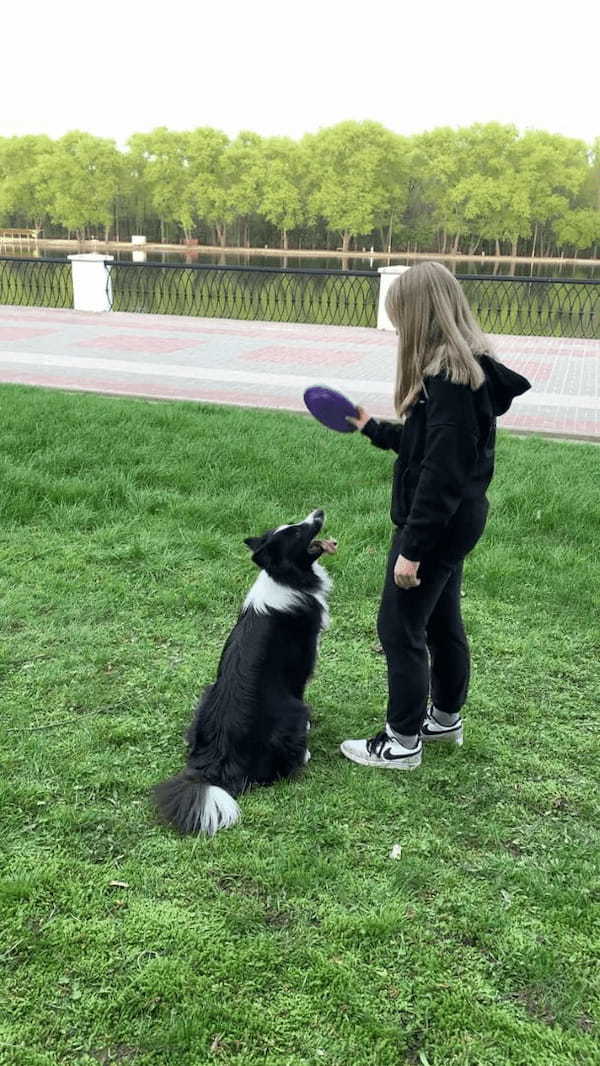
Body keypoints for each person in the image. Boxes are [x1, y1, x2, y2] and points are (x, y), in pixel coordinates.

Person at [340, 262, 531, 770]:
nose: (398, 329)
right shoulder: (468, 369)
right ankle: (444, 718)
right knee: (442, 622)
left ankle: (401, 741)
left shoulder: (447, 380)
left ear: (422, 315)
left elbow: (441, 475)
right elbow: (429, 447)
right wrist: (371, 428)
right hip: (460, 522)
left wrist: (412, 550)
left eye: (400, 318)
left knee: (399, 629)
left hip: (437, 526)